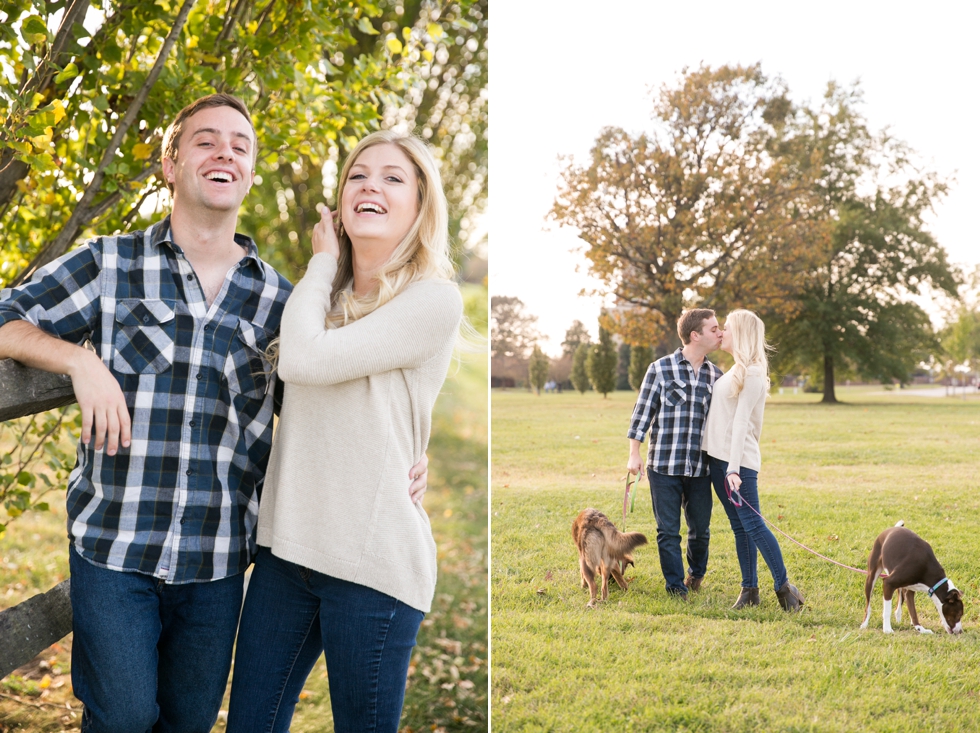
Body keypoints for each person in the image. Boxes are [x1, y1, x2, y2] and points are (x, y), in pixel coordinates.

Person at [0, 94, 429, 732]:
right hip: (115, 551)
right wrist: (79, 362)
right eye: (205, 140)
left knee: (190, 722)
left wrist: (398, 461)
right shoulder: (110, 263)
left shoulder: (283, 302)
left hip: (219, 565)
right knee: (118, 720)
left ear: (250, 172)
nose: (224, 151)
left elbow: (321, 410)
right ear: (170, 165)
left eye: (240, 144)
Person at [226, 130, 464, 733]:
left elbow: (305, 361)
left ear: (420, 203)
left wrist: (321, 260)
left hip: (372, 564)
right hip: (286, 550)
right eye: (359, 175)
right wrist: (323, 275)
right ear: (340, 200)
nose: (371, 186)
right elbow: (300, 395)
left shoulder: (433, 300)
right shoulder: (315, 299)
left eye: (392, 178)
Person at [702, 309, 805, 611]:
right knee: (740, 528)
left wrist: (733, 469)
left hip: (738, 465)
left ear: (743, 334)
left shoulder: (754, 374)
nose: (722, 333)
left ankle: (785, 589)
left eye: (728, 328)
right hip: (720, 461)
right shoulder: (736, 370)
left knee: (754, 525)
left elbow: (742, 424)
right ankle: (749, 591)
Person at [626, 309, 724, 599]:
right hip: (664, 466)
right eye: (714, 329)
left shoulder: (716, 375)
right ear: (696, 335)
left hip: (700, 468)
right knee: (668, 531)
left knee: (700, 530)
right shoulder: (660, 369)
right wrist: (634, 454)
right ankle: (675, 585)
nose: (720, 333)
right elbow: (641, 414)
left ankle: (696, 574)